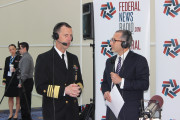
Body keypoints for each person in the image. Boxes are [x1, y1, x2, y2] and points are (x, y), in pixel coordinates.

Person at [35, 22, 84, 120]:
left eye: (71, 36)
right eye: (66, 35)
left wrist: (77, 89)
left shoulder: (74, 58)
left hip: (72, 111)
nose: (69, 39)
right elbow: (40, 87)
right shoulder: (44, 58)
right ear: (56, 36)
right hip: (54, 112)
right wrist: (64, 90)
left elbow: (80, 81)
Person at [101, 30, 149, 120]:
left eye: (114, 40)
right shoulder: (109, 61)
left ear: (124, 43)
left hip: (130, 112)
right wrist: (106, 92)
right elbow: (105, 83)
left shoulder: (139, 60)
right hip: (112, 111)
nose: (111, 43)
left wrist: (122, 81)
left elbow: (144, 84)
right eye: (111, 40)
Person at [2, 44, 21, 120]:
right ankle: (10, 113)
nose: (11, 51)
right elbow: (5, 70)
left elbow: (21, 69)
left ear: (15, 49)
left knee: (18, 97)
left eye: (13, 49)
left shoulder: (19, 58)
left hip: (16, 79)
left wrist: (15, 69)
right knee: (10, 97)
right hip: (9, 80)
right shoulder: (7, 58)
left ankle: (16, 113)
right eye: (10, 49)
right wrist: (4, 80)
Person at [18, 42, 34, 120]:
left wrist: (20, 83)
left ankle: (26, 118)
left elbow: (24, 73)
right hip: (26, 81)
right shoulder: (25, 57)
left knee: (25, 103)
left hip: (26, 82)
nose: (19, 50)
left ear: (24, 48)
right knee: (25, 102)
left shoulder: (26, 58)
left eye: (20, 48)